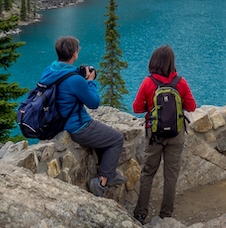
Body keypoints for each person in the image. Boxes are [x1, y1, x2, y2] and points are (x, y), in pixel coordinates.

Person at [40, 35, 125, 196]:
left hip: (57, 123)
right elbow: (94, 103)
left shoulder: (50, 70)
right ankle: (101, 182)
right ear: (74, 54)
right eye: (77, 49)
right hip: (78, 127)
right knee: (116, 139)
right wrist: (90, 81)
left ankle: (109, 173)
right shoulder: (75, 80)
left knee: (105, 137)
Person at [132, 45, 196, 224]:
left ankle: (140, 213)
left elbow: (136, 107)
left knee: (148, 173)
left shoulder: (148, 82)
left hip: (154, 135)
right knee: (171, 175)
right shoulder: (180, 82)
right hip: (176, 135)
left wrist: (153, 109)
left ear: (154, 61)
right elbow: (191, 106)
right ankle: (166, 215)